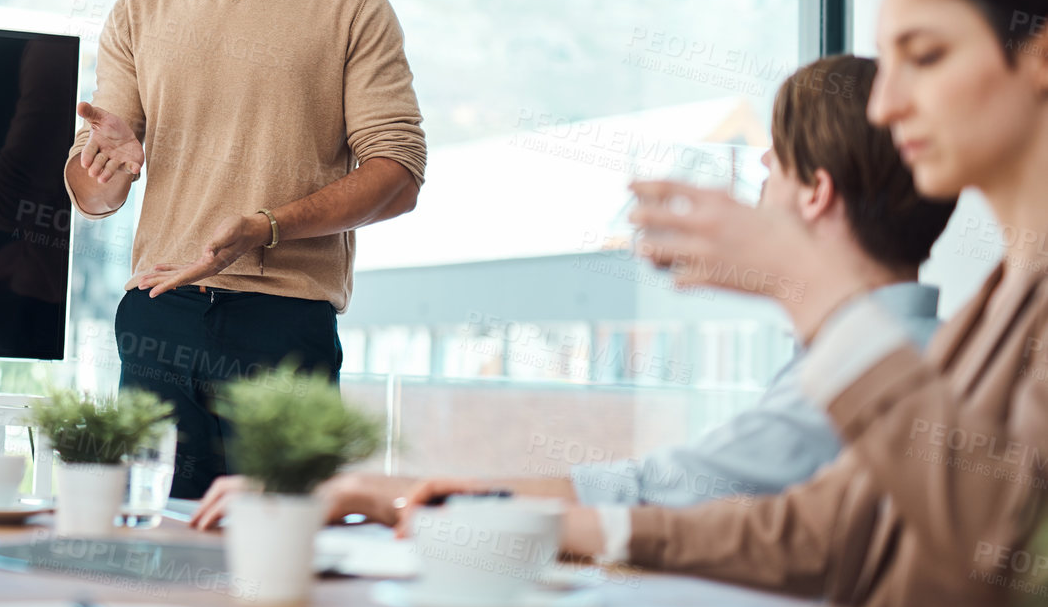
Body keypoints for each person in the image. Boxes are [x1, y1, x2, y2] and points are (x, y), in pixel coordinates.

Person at [474, 0, 1048, 607]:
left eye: (927, 56)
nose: (885, 104)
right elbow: (831, 526)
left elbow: (993, 543)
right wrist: (567, 527)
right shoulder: (998, 298)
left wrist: (813, 287)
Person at [191, 54, 955, 529]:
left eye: (771, 172)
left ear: (815, 193)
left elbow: (653, 497)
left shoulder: (871, 372)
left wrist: (368, 492)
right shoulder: (899, 353)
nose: (755, 186)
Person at [63, 0, 427, 498]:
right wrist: (105, 162)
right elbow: (95, 196)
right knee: (154, 545)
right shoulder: (139, 11)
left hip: (283, 320)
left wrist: (266, 227)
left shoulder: (352, 4)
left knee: (276, 545)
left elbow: (398, 173)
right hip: (159, 309)